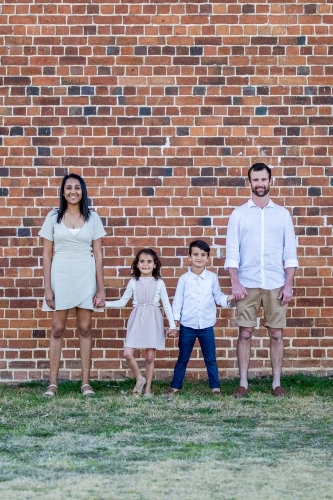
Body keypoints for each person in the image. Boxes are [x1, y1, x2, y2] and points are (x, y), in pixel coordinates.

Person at [225, 162, 298, 398]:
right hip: (247, 283)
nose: (259, 184)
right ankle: (243, 383)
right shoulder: (238, 214)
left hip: (276, 283)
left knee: (276, 334)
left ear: (270, 181)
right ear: (249, 183)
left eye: (263, 179)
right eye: (255, 180)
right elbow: (232, 253)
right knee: (245, 333)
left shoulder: (283, 215)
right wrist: (235, 281)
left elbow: (290, 254)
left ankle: (277, 383)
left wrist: (288, 284)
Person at [39, 174, 106, 397]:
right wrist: (48, 287)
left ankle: (85, 383)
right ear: (63, 191)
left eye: (77, 187)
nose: (73, 191)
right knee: (57, 329)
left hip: (86, 275)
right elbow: (47, 255)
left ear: (82, 191)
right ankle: (53, 383)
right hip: (61, 275)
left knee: (85, 329)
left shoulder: (93, 217)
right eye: (68, 188)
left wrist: (101, 288)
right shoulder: (53, 217)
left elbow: (98, 254)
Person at [97, 248, 177, 397]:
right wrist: (105, 304)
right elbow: (122, 302)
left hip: (153, 319)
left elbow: (166, 305)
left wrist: (172, 325)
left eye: (149, 261)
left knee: (149, 357)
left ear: (154, 265)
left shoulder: (159, 283)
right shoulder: (133, 282)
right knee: (127, 353)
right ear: (137, 264)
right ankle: (140, 379)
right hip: (137, 319)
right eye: (142, 261)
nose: (145, 264)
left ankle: (147, 389)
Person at [168, 240, 234, 396]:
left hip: (206, 326)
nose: (199, 258)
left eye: (203, 255)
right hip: (187, 326)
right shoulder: (184, 279)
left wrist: (230, 297)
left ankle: (215, 386)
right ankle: (175, 386)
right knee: (183, 358)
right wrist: (174, 325)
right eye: (195, 254)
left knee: (210, 358)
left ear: (208, 258)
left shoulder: (212, 278)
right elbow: (177, 303)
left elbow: (218, 297)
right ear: (189, 257)